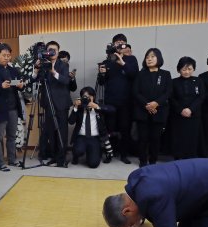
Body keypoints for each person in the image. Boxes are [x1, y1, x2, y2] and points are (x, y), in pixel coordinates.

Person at [97, 34, 140, 164]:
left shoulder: (131, 59)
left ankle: (124, 155)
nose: (120, 44)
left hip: (126, 101)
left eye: (123, 42)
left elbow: (135, 76)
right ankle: (110, 153)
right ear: (113, 45)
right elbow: (101, 82)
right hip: (110, 101)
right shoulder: (107, 61)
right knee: (109, 129)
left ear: (126, 45)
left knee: (125, 129)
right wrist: (102, 74)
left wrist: (123, 63)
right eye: (117, 42)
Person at [0, 43, 25, 171]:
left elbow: (21, 83)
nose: (7, 58)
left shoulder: (13, 70)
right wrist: (0, 86)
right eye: (4, 55)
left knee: (12, 136)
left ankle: (12, 160)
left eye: (8, 55)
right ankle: (0, 162)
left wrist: (20, 85)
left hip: (13, 108)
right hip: (0, 108)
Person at [32, 41, 71, 167]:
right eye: (49, 50)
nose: (52, 52)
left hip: (61, 104)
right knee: (51, 132)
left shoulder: (63, 65)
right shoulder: (43, 64)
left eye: (54, 50)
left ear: (58, 52)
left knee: (62, 132)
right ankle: (54, 157)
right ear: (46, 52)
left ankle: (61, 159)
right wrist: (36, 70)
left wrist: (54, 72)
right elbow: (33, 79)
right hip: (48, 103)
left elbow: (66, 81)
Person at [133, 48, 172, 167]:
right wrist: (147, 105)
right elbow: (135, 92)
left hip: (159, 111)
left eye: (152, 56)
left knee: (156, 138)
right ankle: (143, 160)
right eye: (147, 57)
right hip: (142, 110)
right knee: (143, 138)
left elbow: (168, 92)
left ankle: (153, 160)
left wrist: (156, 103)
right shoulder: (140, 73)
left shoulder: (165, 74)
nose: (149, 59)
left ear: (159, 58)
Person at [68, 87, 114, 167]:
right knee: (78, 150)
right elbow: (71, 122)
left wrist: (96, 106)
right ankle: (76, 156)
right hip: (81, 137)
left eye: (90, 97)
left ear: (94, 97)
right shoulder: (79, 109)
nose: (87, 99)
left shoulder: (97, 107)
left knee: (93, 164)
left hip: (94, 138)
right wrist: (75, 107)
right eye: (85, 97)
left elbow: (112, 110)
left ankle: (93, 152)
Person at [170, 56, 205, 159]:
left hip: (194, 115)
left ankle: (190, 158)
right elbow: (171, 98)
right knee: (178, 137)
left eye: (189, 69)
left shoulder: (198, 81)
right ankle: (178, 157)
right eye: (184, 69)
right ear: (179, 69)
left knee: (192, 137)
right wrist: (181, 110)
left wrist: (190, 109)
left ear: (193, 69)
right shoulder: (173, 82)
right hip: (178, 115)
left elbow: (201, 96)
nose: (186, 72)